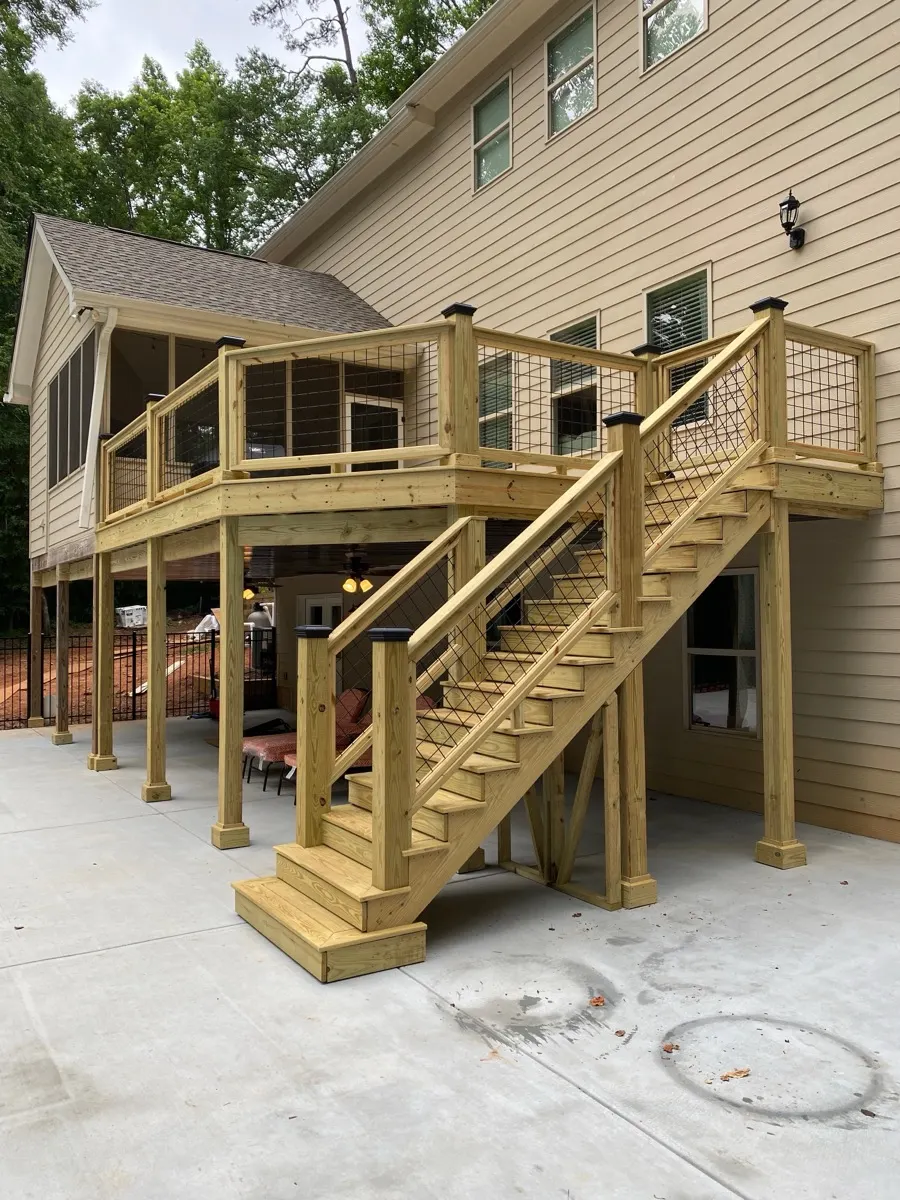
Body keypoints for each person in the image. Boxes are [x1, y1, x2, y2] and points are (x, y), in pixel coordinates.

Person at [246, 602, 272, 670]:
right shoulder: (266, 615)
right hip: (267, 636)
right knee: (266, 650)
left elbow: (248, 629)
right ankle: (265, 665)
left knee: (257, 653)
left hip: (255, 637)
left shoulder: (251, 616)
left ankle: (257, 665)